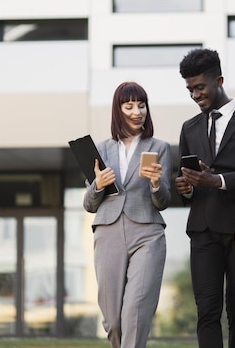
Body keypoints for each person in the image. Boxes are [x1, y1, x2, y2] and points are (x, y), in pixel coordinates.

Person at [175, 48, 235, 348]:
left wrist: (215, 180)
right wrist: (187, 187)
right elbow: (186, 186)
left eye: (200, 87)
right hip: (202, 231)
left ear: (218, 80)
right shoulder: (189, 128)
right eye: (190, 89)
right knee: (206, 312)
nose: (194, 95)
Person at [83, 81, 172, 348]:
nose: (137, 111)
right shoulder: (100, 150)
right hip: (108, 231)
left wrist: (156, 183)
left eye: (141, 105)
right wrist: (97, 185)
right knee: (113, 320)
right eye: (129, 105)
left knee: (135, 313)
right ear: (118, 110)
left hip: (147, 233)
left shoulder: (160, 147)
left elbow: (164, 200)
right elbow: (89, 204)